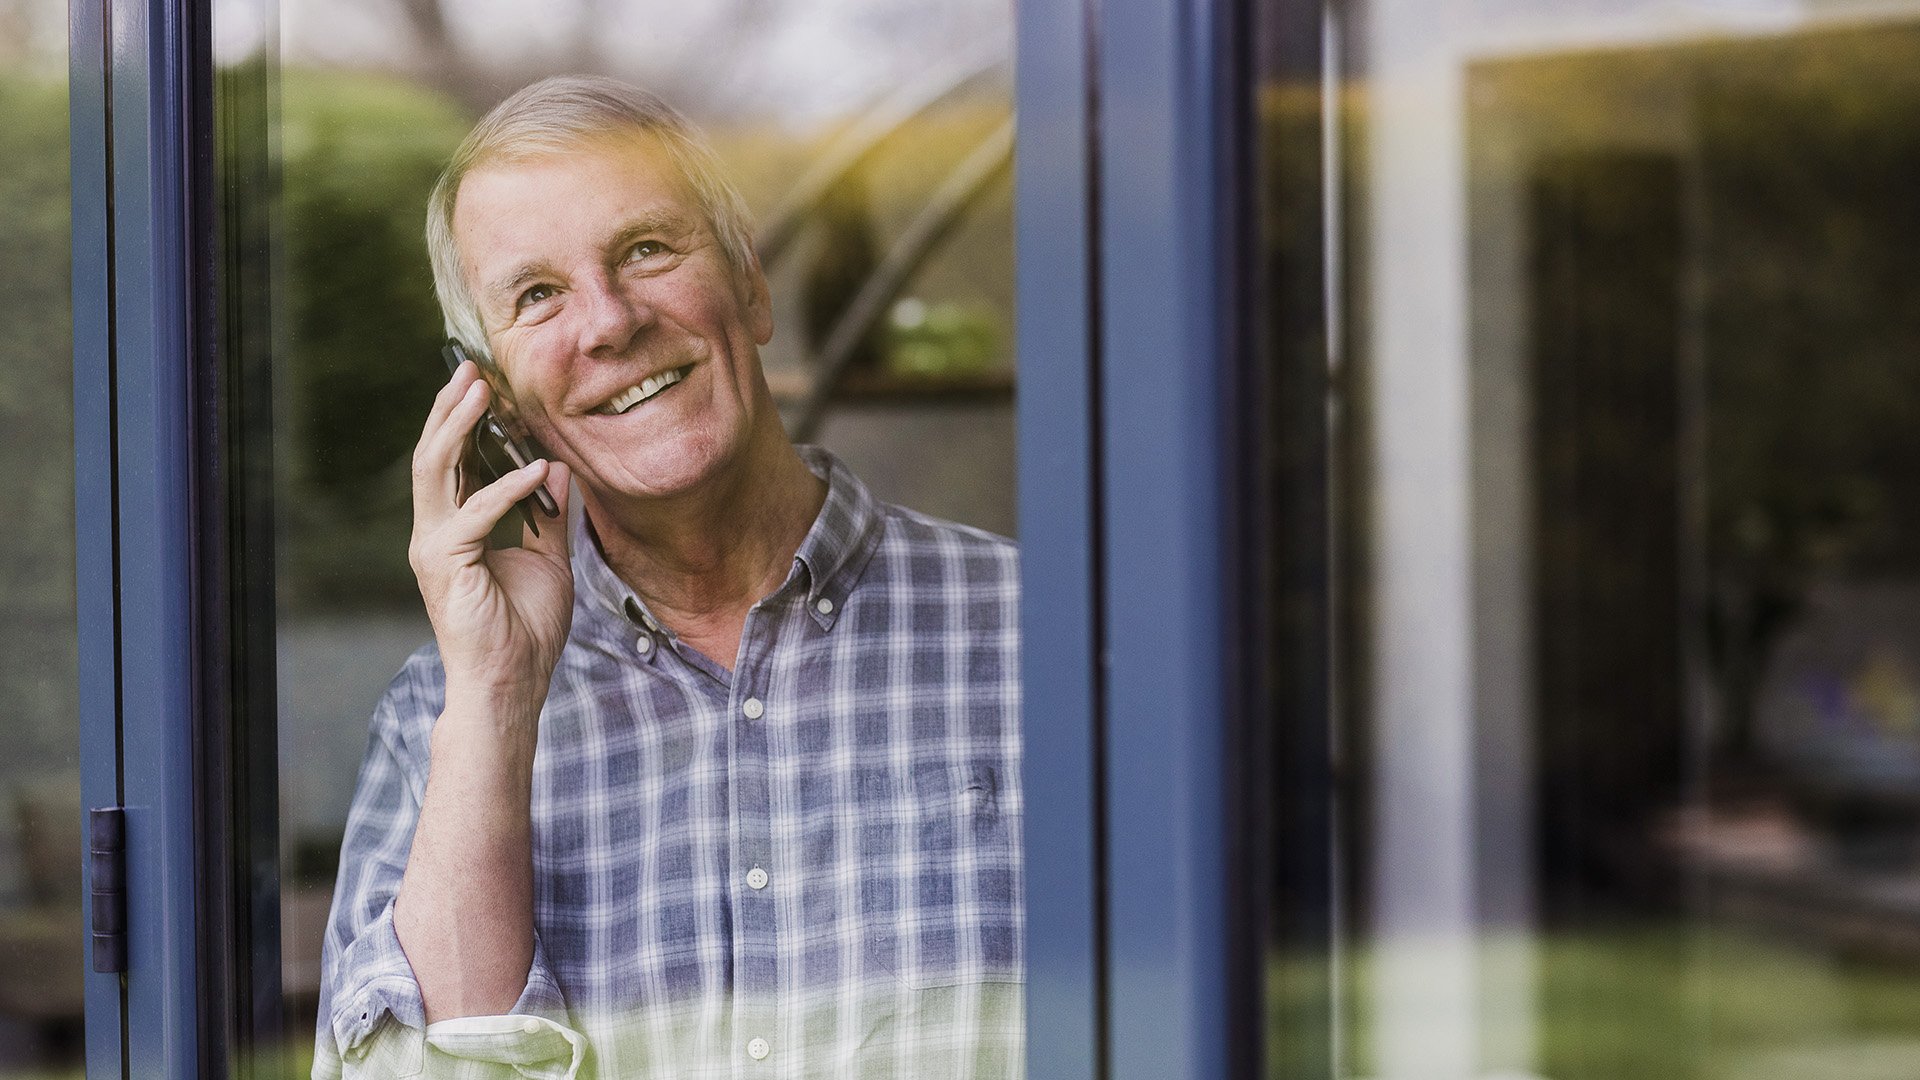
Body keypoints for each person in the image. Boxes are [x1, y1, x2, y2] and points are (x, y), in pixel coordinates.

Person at [313, 75, 1022, 1080]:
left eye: (646, 249)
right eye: (539, 296)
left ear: (751, 286)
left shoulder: (1045, 634)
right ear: (494, 397)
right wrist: (498, 702)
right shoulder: (445, 713)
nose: (609, 323)